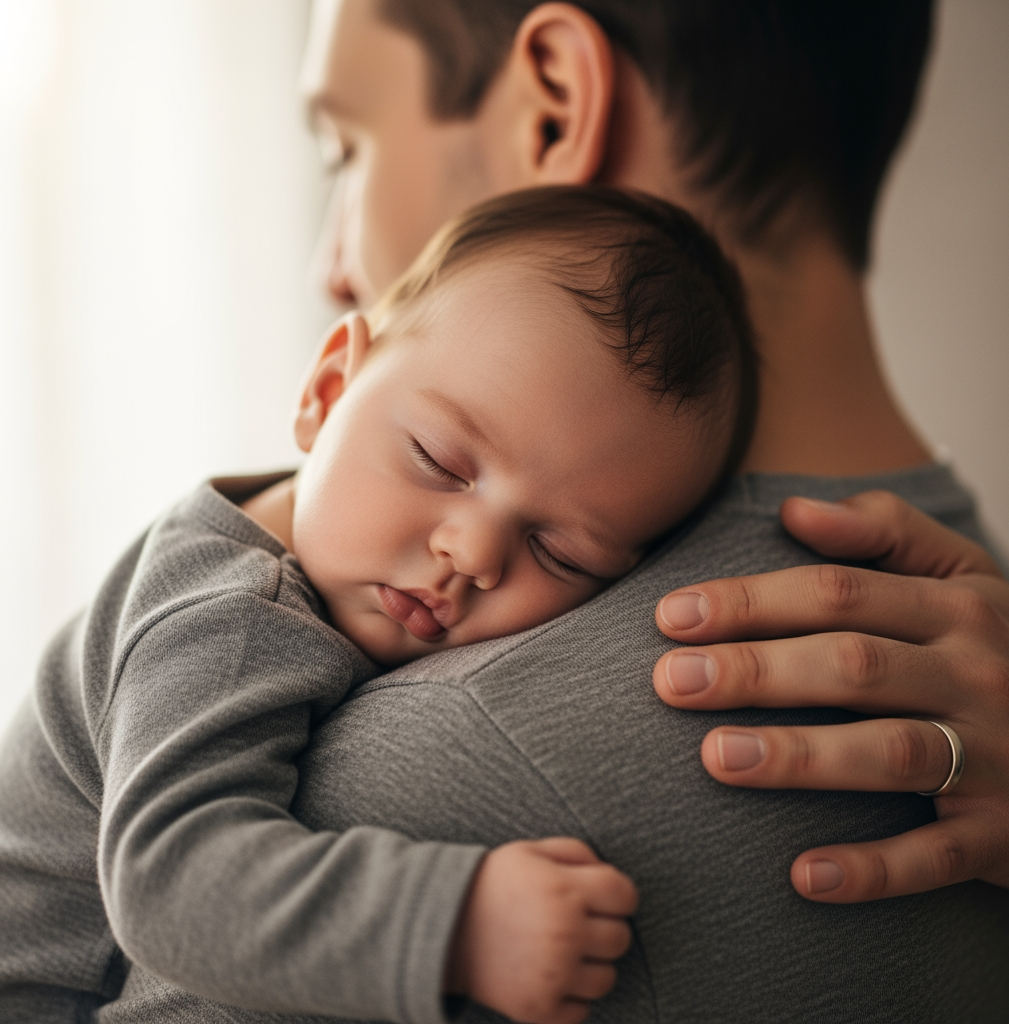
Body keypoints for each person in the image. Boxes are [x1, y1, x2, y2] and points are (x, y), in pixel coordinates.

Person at [42, 0, 1009, 1021]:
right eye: (437, 459)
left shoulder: (413, 783)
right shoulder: (983, 611)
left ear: (554, 105)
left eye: (347, 146)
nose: (328, 266)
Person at [0, 188, 760, 1023]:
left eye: (559, 553)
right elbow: (168, 878)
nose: (471, 554)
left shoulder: (314, 560)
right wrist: (453, 925)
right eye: (439, 461)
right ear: (327, 391)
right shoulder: (231, 617)